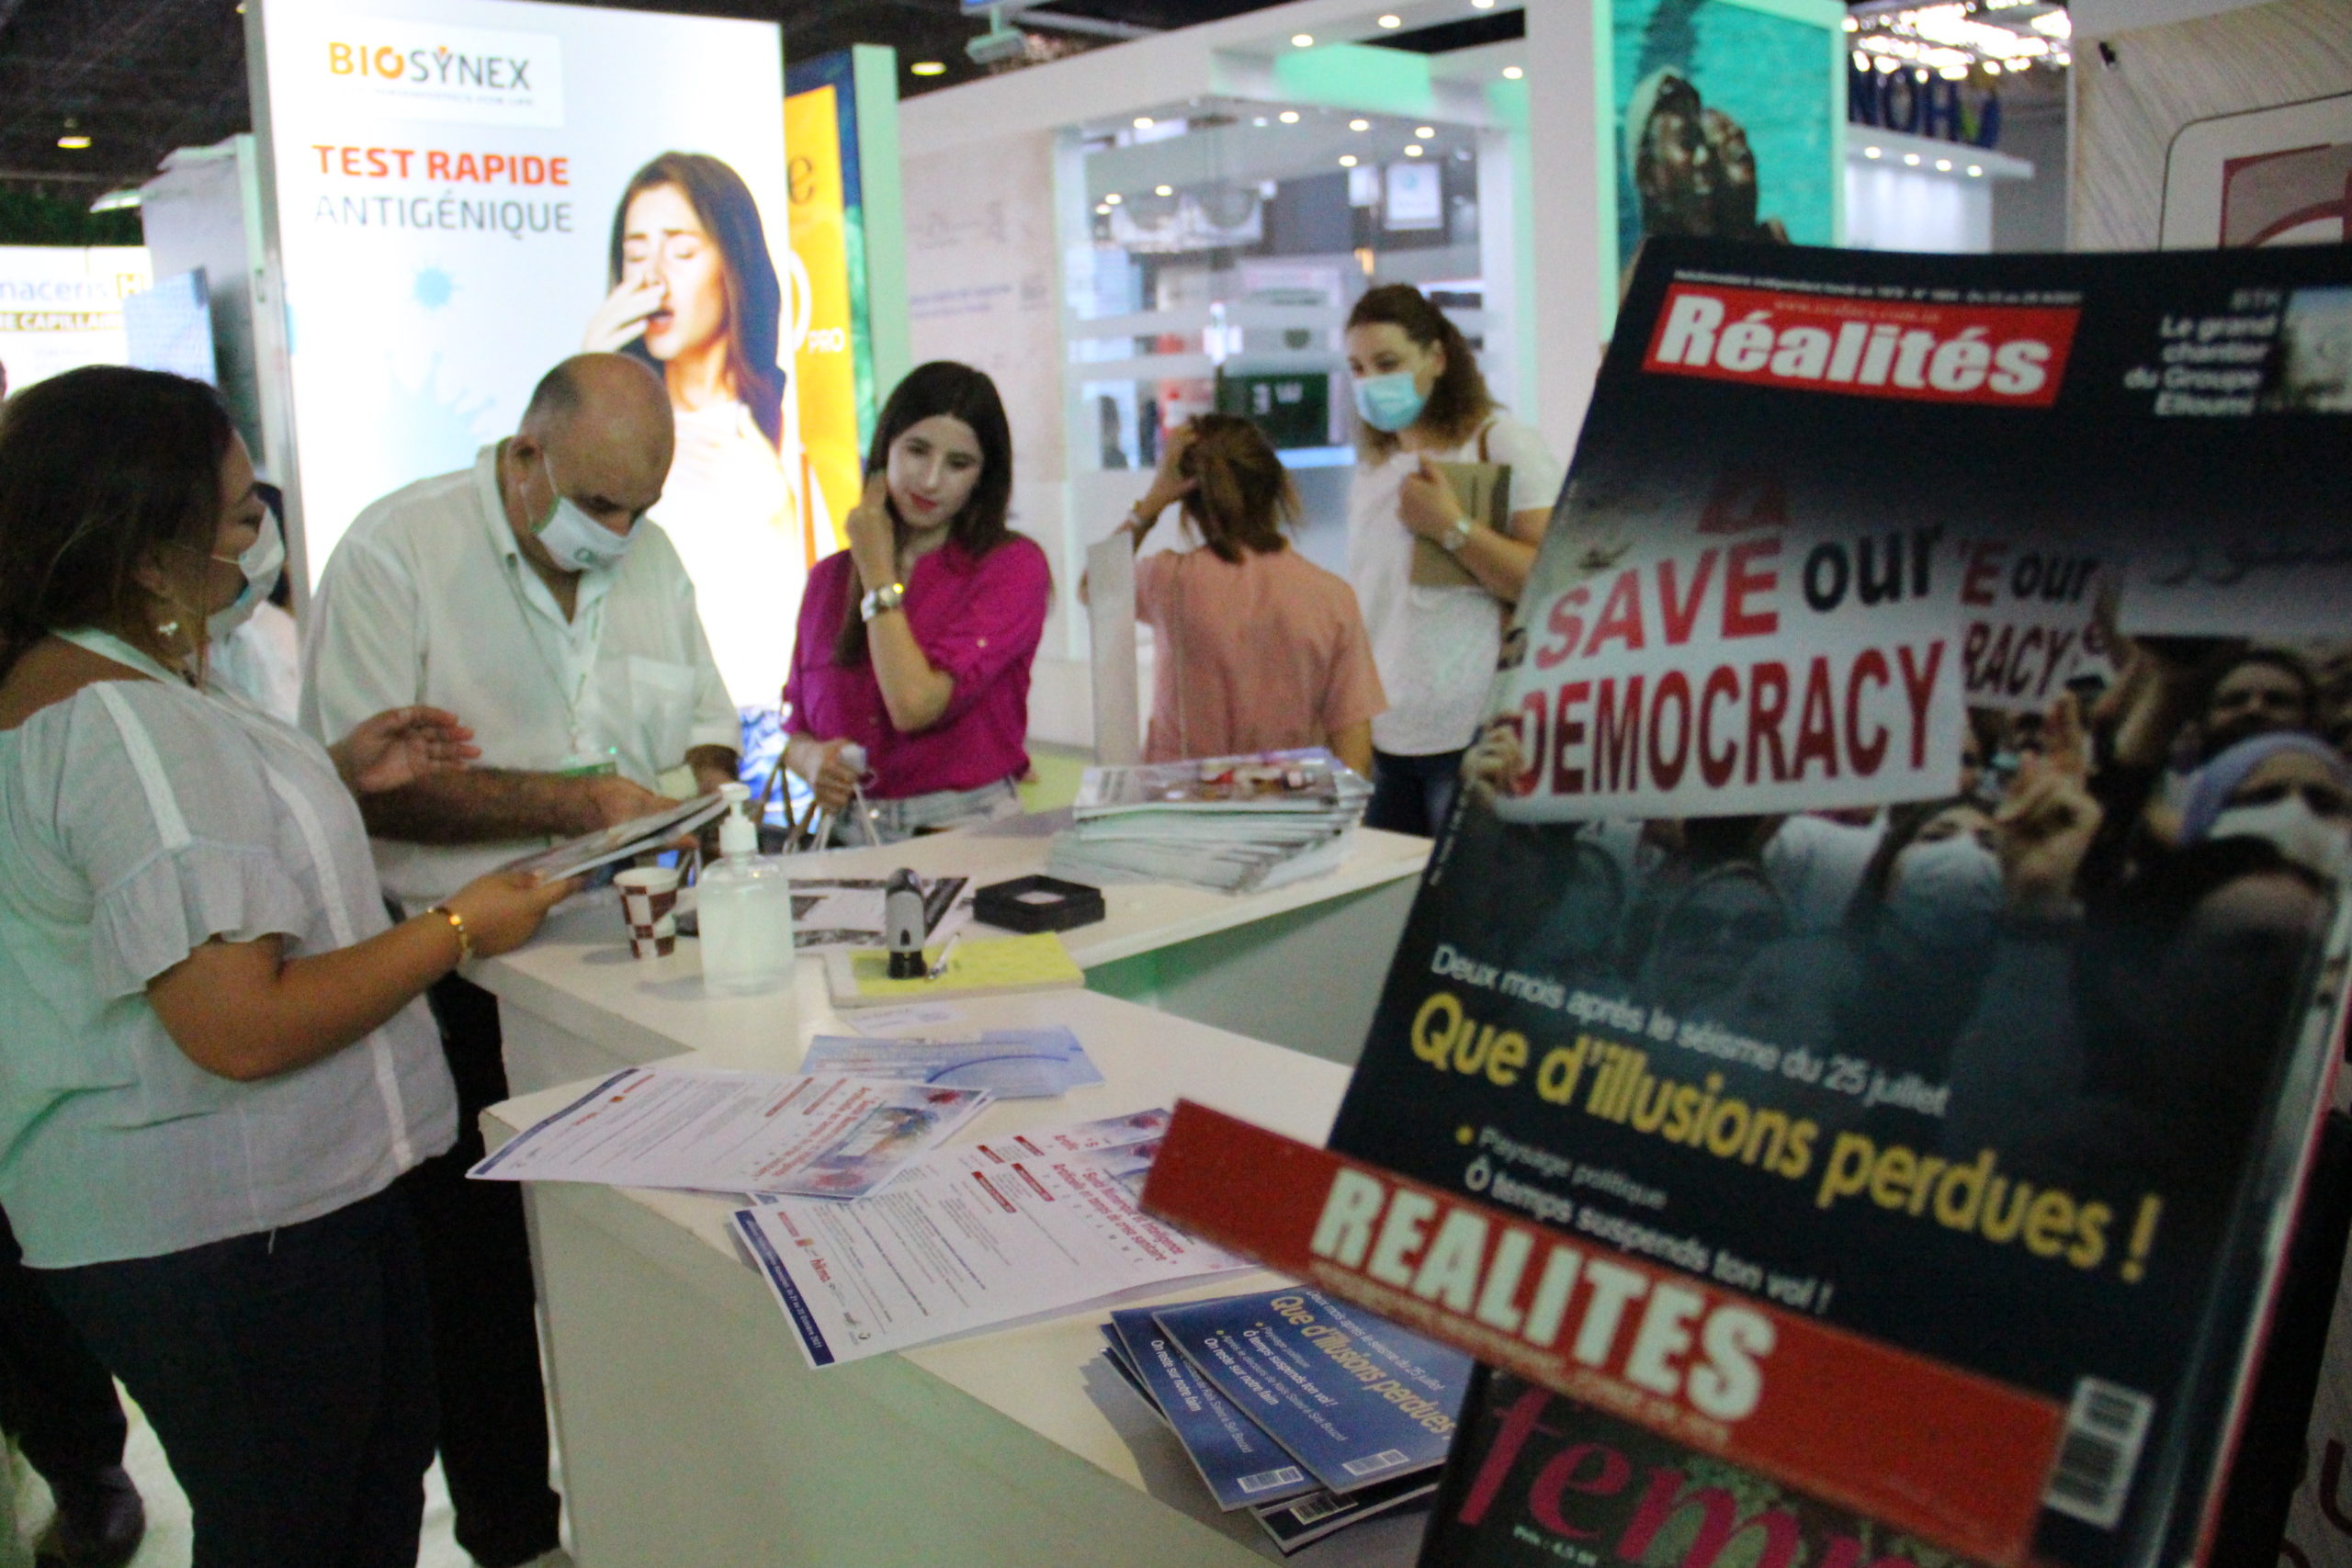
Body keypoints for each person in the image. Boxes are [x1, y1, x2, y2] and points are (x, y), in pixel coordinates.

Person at [0, 366, 574, 1566]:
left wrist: (328, 774)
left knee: (352, 1495)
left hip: (249, 1223)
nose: (257, 533)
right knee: (302, 1522)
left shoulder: (103, 689)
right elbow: (240, 1024)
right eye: (236, 512)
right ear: (146, 553)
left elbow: (185, 862)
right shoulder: (129, 726)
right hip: (236, 1233)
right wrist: (459, 927)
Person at [301, 352, 740, 1568]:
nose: (620, 532)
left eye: (641, 507)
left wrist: (702, 790)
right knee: (477, 1291)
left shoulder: (650, 555)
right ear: (526, 455)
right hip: (455, 981)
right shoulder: (398, 552)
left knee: (638, 1263)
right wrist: (576, 802)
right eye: (600, 503)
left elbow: (706, 722)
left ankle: (663, 1517)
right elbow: (368, 791)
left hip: (633, 969)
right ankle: (513, 1536)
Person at [781, 362, 1049, 842]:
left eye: (958, 464)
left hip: (960, 831)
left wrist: (877, 572)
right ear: (886, 448)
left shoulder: (1010, 567)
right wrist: (813, 760)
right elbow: (796, 726)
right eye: (917, 451)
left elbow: (914, 705)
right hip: (847, 836)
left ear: (983, 477)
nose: (929, 480)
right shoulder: (827, 579)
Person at [583, 151, 812, 706]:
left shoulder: (786, 421)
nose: (653, 277)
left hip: (767, 715)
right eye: (635, 254)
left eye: (682, 252)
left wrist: (778, 514)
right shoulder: (613, 432)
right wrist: (587, 379)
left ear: (732, 264)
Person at [1343, 283, 1563, 837]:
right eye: (1358, 368)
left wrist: (1450, 527)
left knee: (1470, 890)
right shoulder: (1375, 466)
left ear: (1437, 358)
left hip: (1473, 733)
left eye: (1388, 363)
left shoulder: (1499, 442)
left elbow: (1550, 582)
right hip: (1387, 735)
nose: (1371, 383)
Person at [1084, 415, 1384, 775]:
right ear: (1275, 486)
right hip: (1288, 801)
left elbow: (1093, 588)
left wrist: (1150, 505)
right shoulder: (1333, 598)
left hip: (1180, 801)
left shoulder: (1168, 581)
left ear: (1188, 503)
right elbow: (1354, 756)